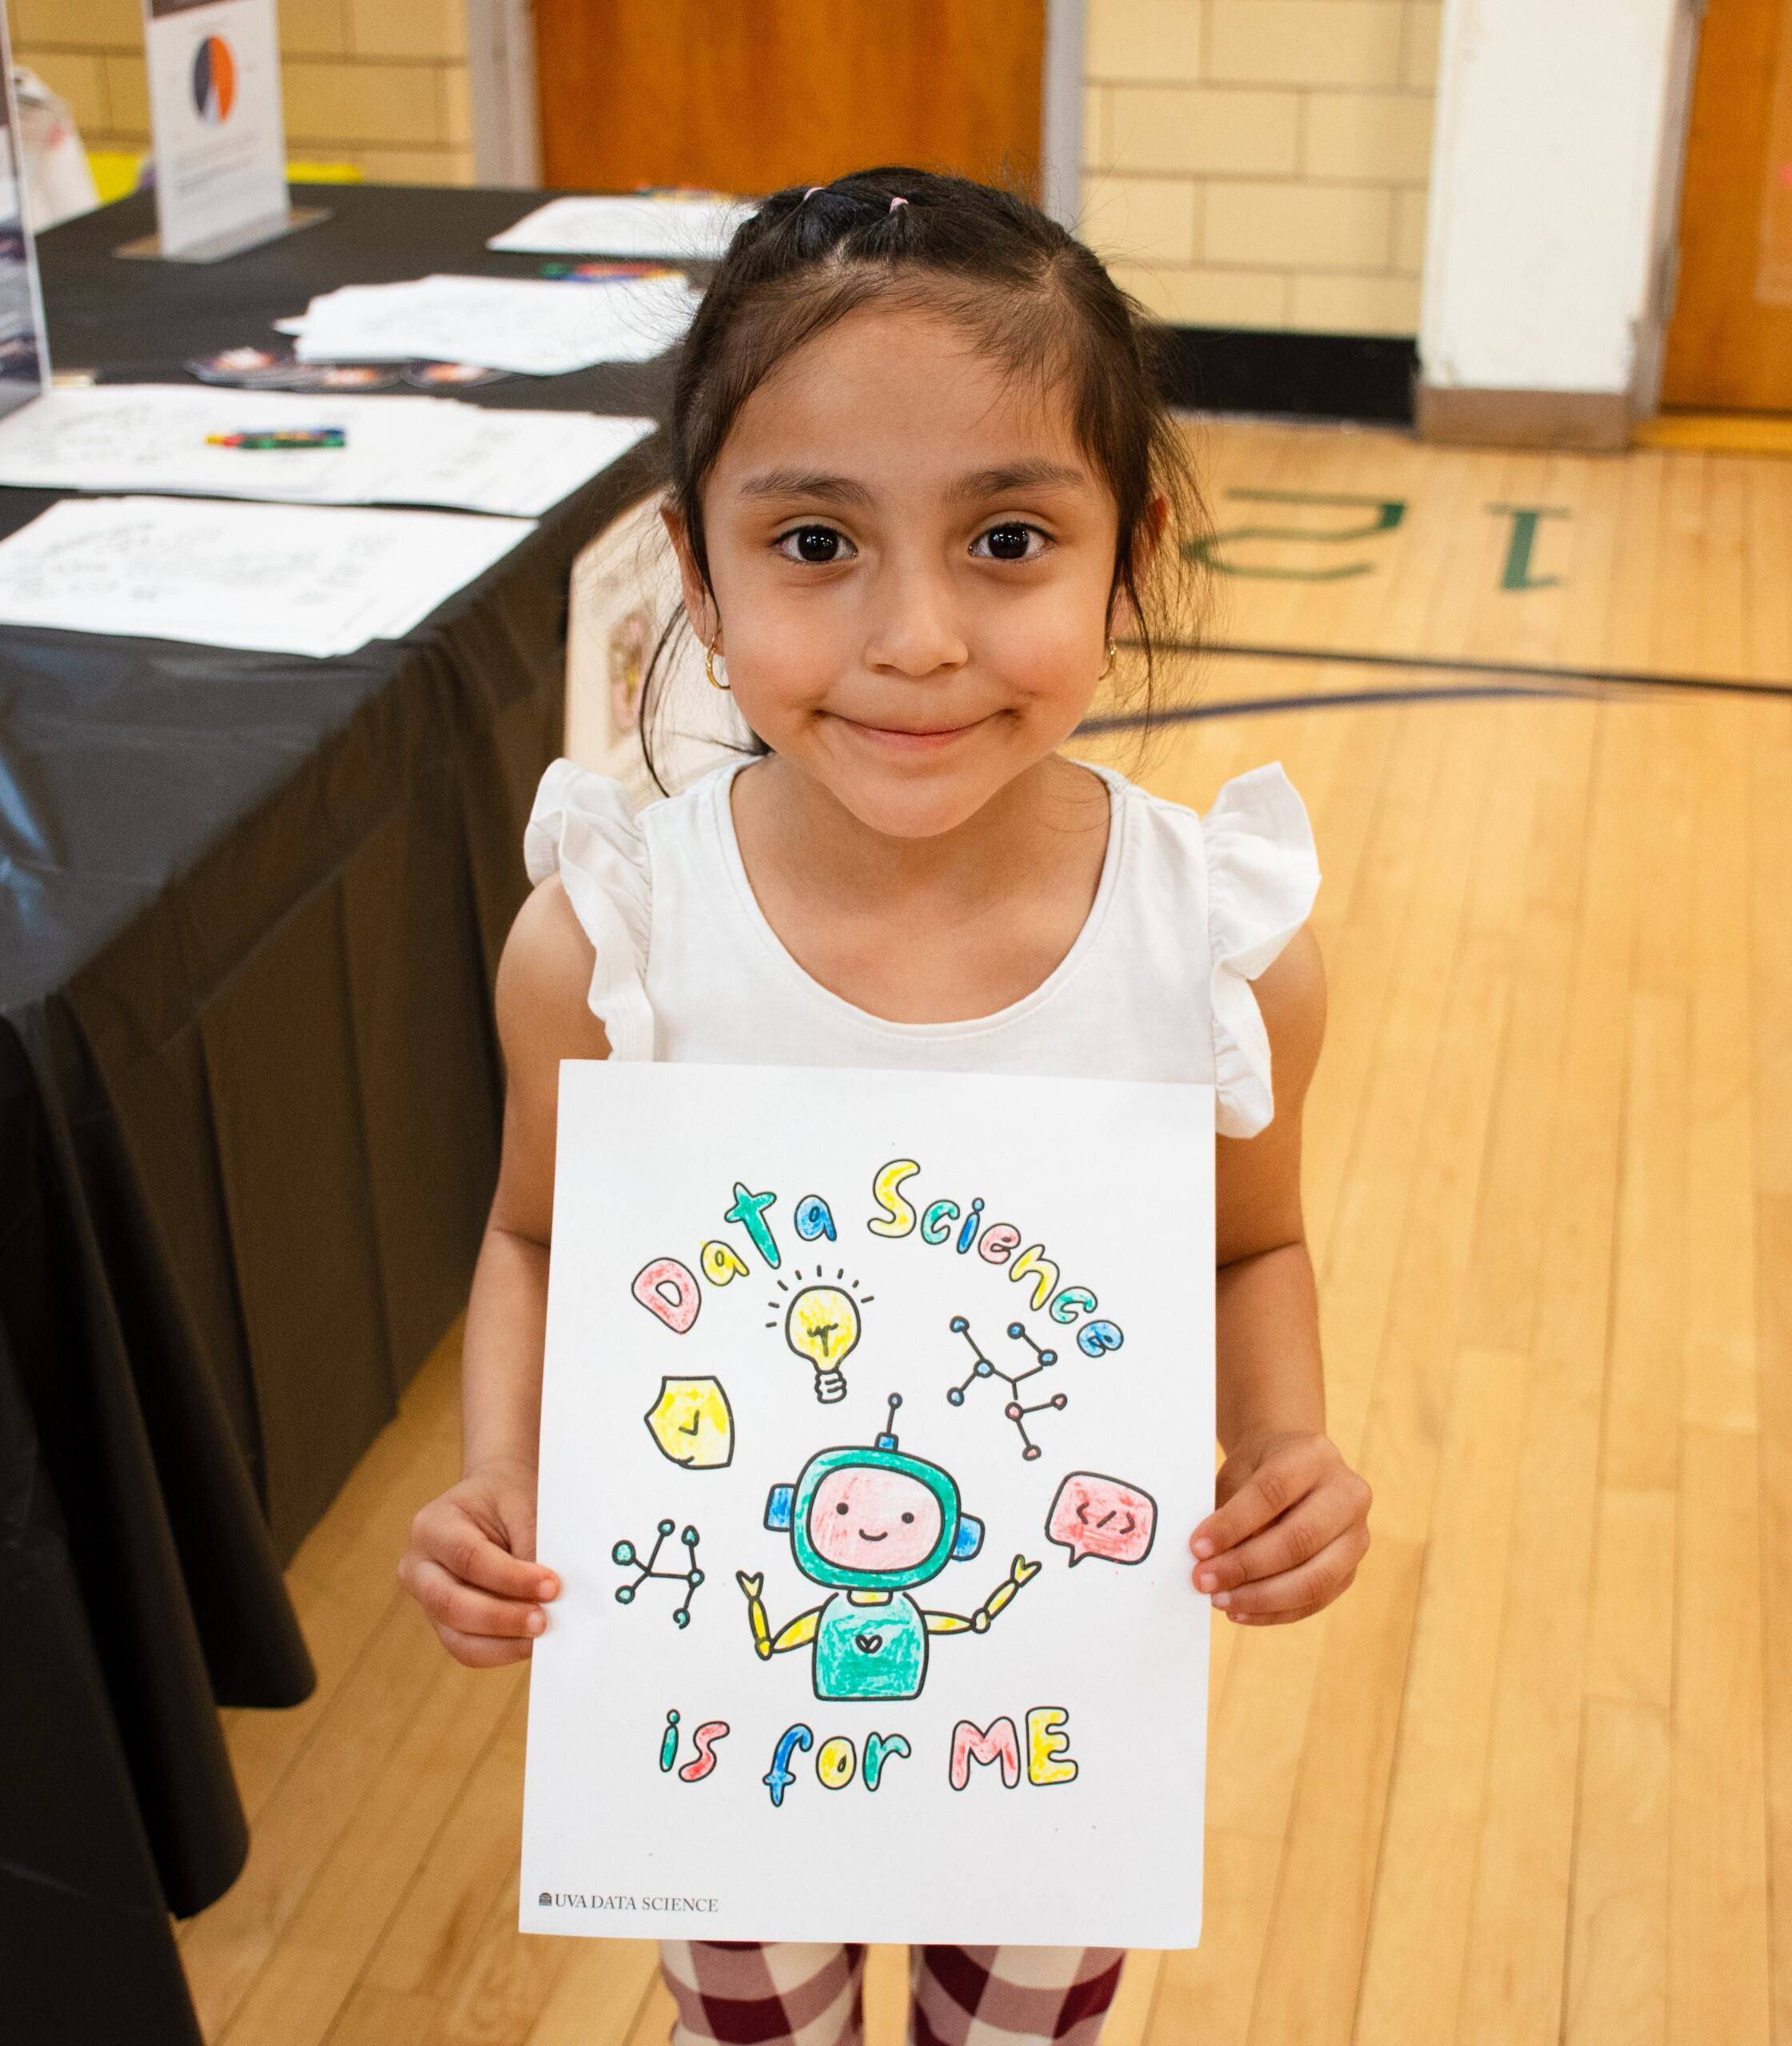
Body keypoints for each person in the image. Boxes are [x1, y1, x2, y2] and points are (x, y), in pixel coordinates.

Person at [399, 165, 1372, 2046]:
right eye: (815, 542)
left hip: (1046, 1694)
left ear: (1130, 552)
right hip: (712, 1690)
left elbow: (1251, 1244)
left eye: (1007, 538)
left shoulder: (1218, 945)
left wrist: (1280, 1459)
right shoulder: (610, 938)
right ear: (695, 567)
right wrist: (508, 1476)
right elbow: (535, 1229)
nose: (915, 634)